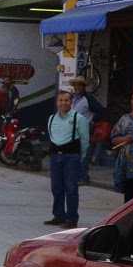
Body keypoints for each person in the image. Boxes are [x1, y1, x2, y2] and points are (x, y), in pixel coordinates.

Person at [43, 90, 90, 230]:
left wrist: (79, 158)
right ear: (57, 102)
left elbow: (85, 140)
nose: (63, 103)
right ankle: (58, 216)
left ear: (72, 102)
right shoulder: (52, 118)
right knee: (56, 188)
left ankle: (71, 219)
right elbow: (52, 137)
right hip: (55, 156)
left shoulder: (79, 118)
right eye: (61, 100)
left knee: (71, 188)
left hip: (71, 157)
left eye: (66, 100)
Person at [67, 76, 105, 183]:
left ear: (83, 87)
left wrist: (93, 121)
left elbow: (101, 111)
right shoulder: (71, 97)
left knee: (83, 154)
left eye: (79, 85)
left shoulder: (88, 99)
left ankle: (83, 177)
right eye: (75, 85)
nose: (77, 87)